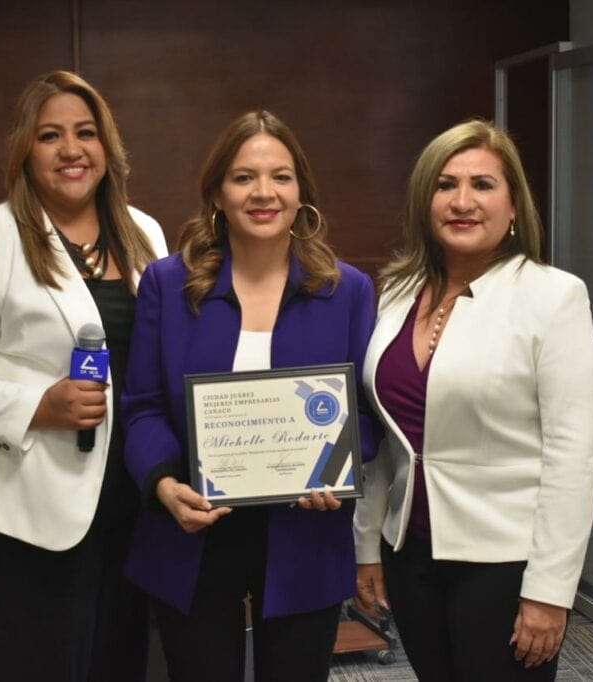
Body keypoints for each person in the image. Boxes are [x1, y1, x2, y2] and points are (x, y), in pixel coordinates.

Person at [0, 70, 167, 681]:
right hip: (17, 513)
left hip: (124, 503)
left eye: (86, 133)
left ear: (109, 147)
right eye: (51, 135)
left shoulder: (144, 232)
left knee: (114, 662)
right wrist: (36, 406)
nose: (71, 150)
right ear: (25, 149)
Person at [122, 110, 378, 682]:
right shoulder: (168, 283)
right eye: (243, 177)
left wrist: (336, 466)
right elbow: (140, 406)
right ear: (217, 192)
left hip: (305, 530)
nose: (263, 192)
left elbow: (364, 410)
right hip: (193, 526)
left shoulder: (347, 291)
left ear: (301, 192)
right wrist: (165, 485)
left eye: (280, 177)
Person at [353, 120, 593, 680]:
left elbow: (574, 456)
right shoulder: (396, 292)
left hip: (504, 563)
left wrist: (550, 590)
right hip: (410, 552)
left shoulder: (553, 297)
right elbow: (383, 441)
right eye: (445, 185)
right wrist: (367, 544)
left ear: (514, 205)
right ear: (426, 202)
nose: (462, 201)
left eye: (483, 185)